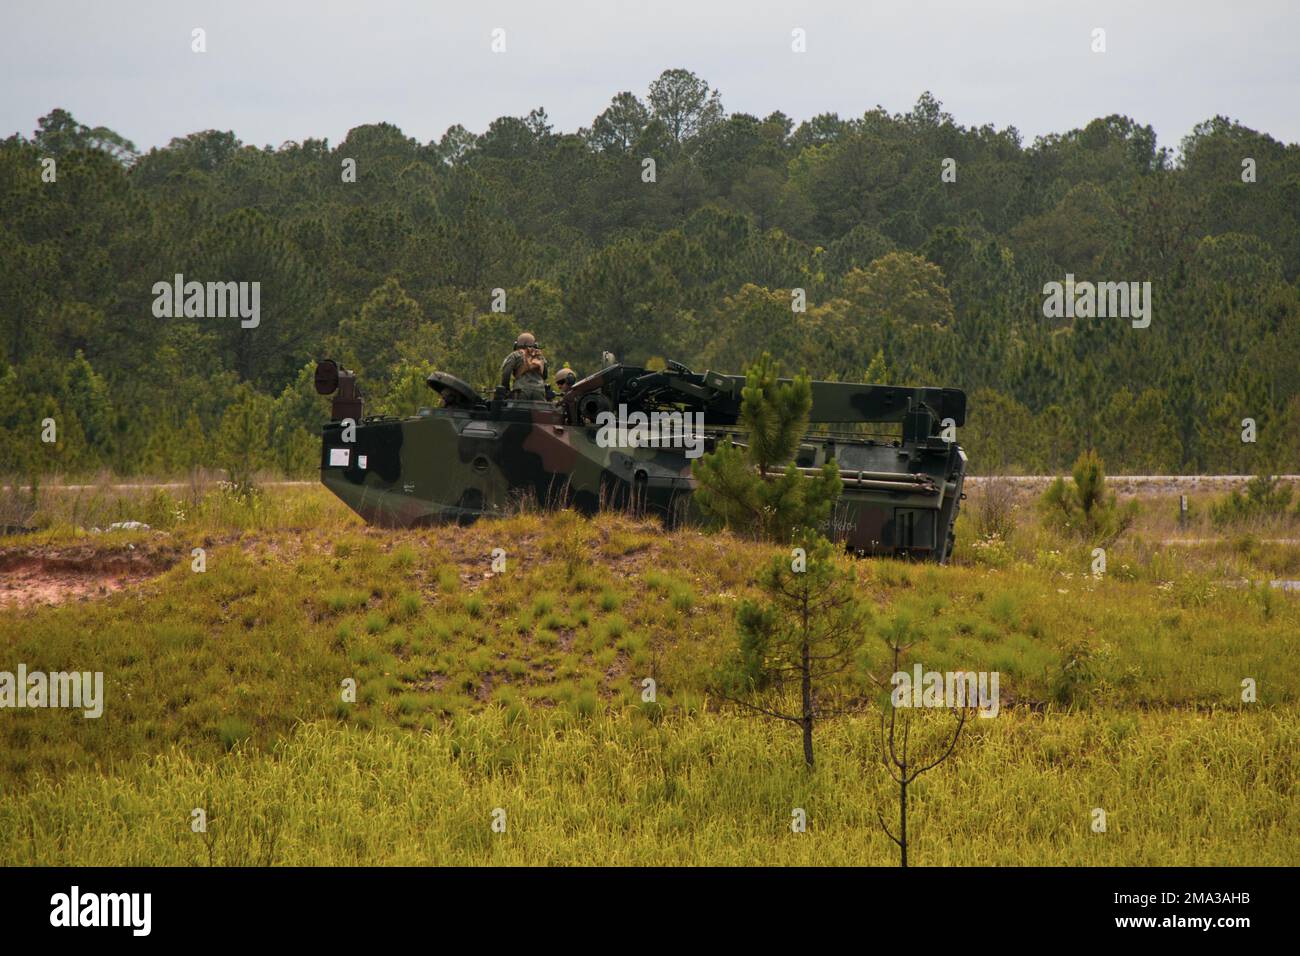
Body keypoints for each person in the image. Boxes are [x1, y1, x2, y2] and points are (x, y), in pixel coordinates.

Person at [500, 332, 548, 400]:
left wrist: (506, 389)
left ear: (516, 344)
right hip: (539, 391)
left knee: (518, 410)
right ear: (535, 345)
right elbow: (545, 375)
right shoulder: (540, 357)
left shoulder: (514, 355)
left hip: (521, 391)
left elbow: (506, 373)